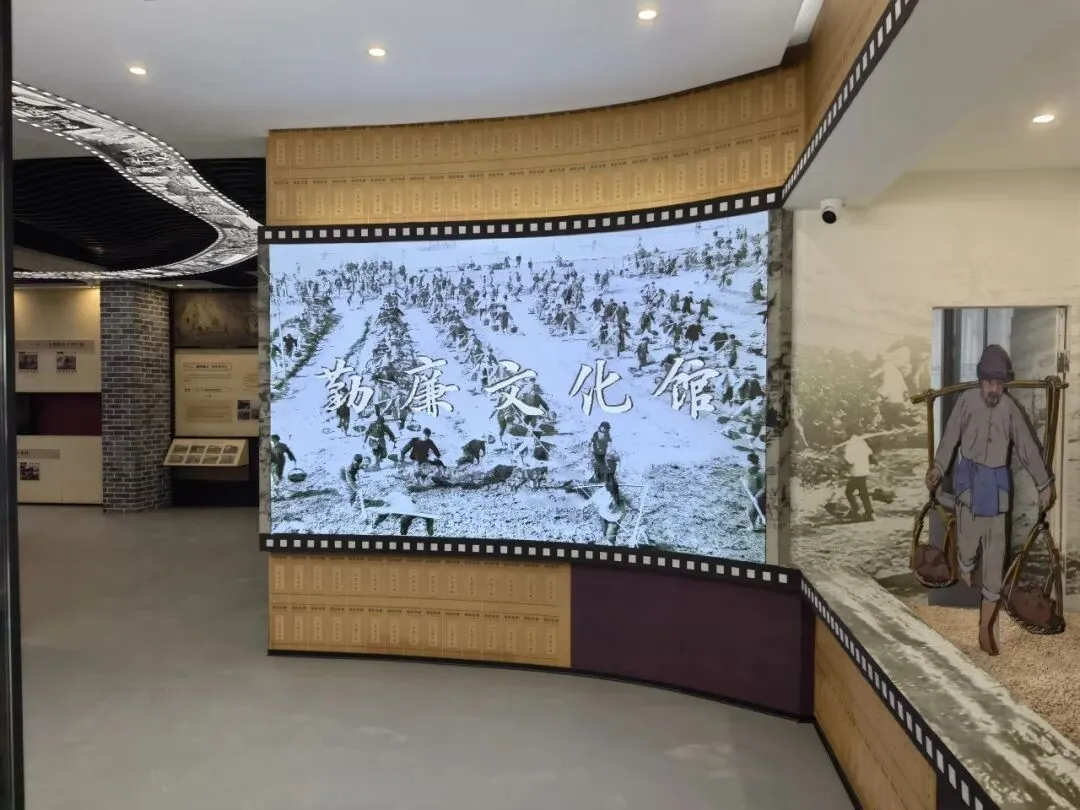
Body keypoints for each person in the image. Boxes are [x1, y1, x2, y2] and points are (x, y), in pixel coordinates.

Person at [925, 344, 1055, 656]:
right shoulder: (966, 402)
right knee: (968, 548)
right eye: (989, 383)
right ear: (980, 380)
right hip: (969, 487)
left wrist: (1044, 484)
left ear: (1004, 384)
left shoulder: (1010, 409)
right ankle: (966, 563)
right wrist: (938, 467)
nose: (994, 390)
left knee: (995, 563)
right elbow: (949, 439)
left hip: (998, 492)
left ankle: (985, 628)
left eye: (999, 384)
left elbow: (1027, 448)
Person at [842, 434, 875, 521]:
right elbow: (870, 454)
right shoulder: (861, 441)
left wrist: (843, 468)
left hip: (856, 473)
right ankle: (869, 513)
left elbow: (849, 461)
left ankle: (857, 511)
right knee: (863, 493)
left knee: (849, 492)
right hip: (864, 471)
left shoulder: (849, 444)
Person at [746, 453, 766, 531]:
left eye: (750, 462)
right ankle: (760, 522)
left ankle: (753, 527)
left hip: (761, 493)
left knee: (752, 511)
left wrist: (757, 496)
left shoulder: (760, 472)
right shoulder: (752, 470)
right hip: (757, 492)